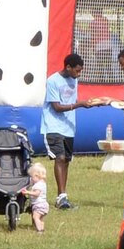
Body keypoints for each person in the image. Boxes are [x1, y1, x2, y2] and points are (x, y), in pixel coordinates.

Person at [40, 52, 85, 208]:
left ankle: (63, 196)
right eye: (77, 70)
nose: (78, 74)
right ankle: (61, 198)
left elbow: (72, 100)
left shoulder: (74, 80)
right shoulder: (53, 81)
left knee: (66, 160)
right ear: (68, 67)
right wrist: (79, 105)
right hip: (53, 125)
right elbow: (57, 107)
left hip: (69, 127)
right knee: (59, 157)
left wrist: (90, 103)